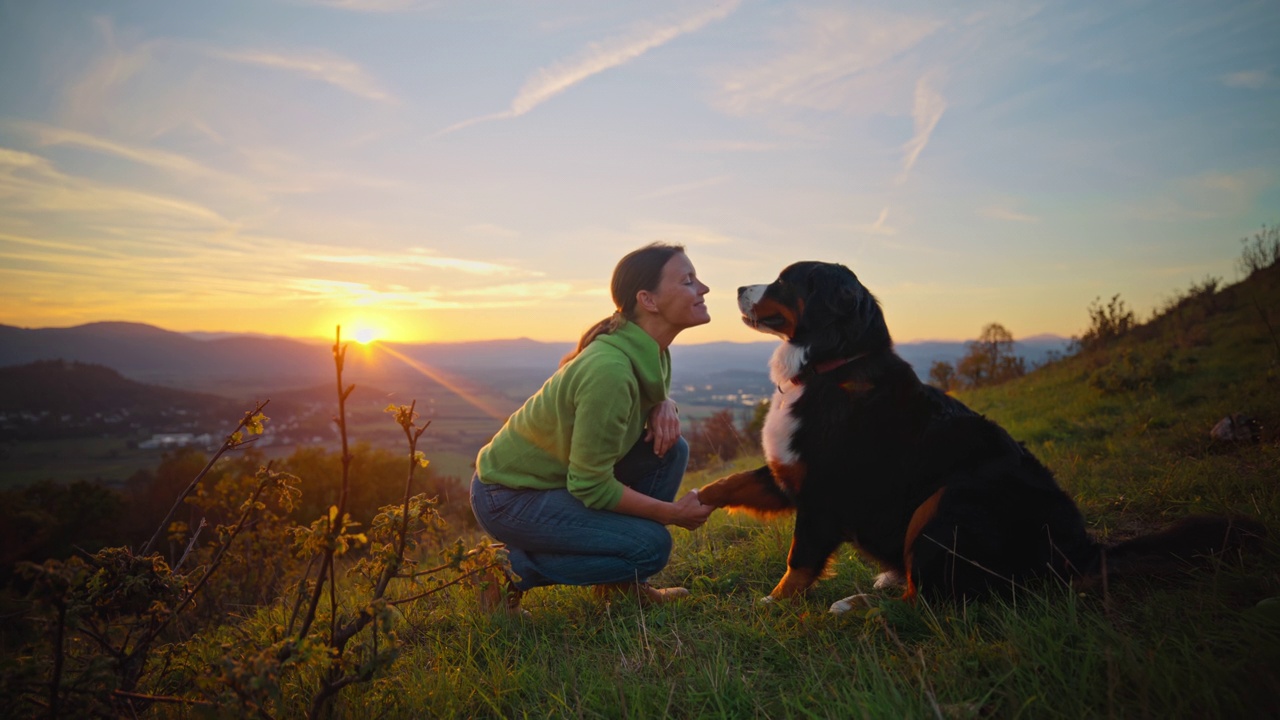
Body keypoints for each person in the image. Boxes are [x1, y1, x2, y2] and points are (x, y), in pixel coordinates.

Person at [469, 242, 716, 614]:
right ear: (648, 301)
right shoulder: (610, 371)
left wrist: (664, 403)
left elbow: (642, 394)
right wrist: (670, 514)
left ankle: (620, 586)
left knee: (670, 450)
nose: (703, 289)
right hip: (508, 497)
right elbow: (589, 484)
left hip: (551, 482)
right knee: (651, 546)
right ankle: (505, 570)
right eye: (688, 281)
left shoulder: (650, 350)